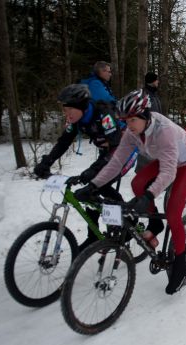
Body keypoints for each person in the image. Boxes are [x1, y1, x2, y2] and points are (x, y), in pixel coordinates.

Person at [75, 89, 186, 295]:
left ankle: (180, 262)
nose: (128, 125)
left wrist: (149, 196)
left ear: (144, 116)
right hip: (166, 159)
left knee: (173, 213)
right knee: (137, 183)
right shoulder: (131, 132)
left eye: (132, 120)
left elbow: (169, 173)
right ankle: (155, 223)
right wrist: (93, 186)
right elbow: (116, 163)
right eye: (125, 120)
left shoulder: (164, 131)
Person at [33, 84, 123, 251]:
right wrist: (46, 162)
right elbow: (63, 142)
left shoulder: (104, 115)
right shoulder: (76, 119)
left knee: (100, 184)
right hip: (107, 152)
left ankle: (123, 223)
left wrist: (94, 170)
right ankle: (94, 236)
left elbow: (115, 148)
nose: (65, 114)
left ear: (81, 106)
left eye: (68, 110)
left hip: (123, 150)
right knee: (91, 190)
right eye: (64, 110)